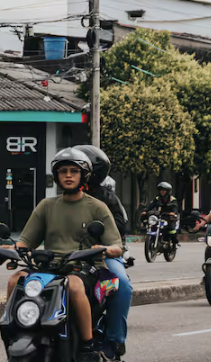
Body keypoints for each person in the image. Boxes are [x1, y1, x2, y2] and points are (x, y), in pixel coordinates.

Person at [8, 148, 123, 362]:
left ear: (83, 176)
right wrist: (15, 249)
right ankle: (15, 330)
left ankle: (87, 346)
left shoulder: (97, 207)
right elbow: (26, 240)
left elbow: (117, 246)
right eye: (63, 171)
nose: (68, 175)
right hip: (49, 267)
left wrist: (103, 249)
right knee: (16, 280)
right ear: (57, 176)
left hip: (83, 268)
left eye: (73, 171)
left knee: (73, 285)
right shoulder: (46, 206)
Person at [75, 145, 132, 362]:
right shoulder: (58, 200)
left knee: (121, 285)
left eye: (78, 168)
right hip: (68, 255)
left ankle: (114, 340)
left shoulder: (106, 198)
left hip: (103, 256)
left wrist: (99, 243)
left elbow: (120, 227)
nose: (71, 174)